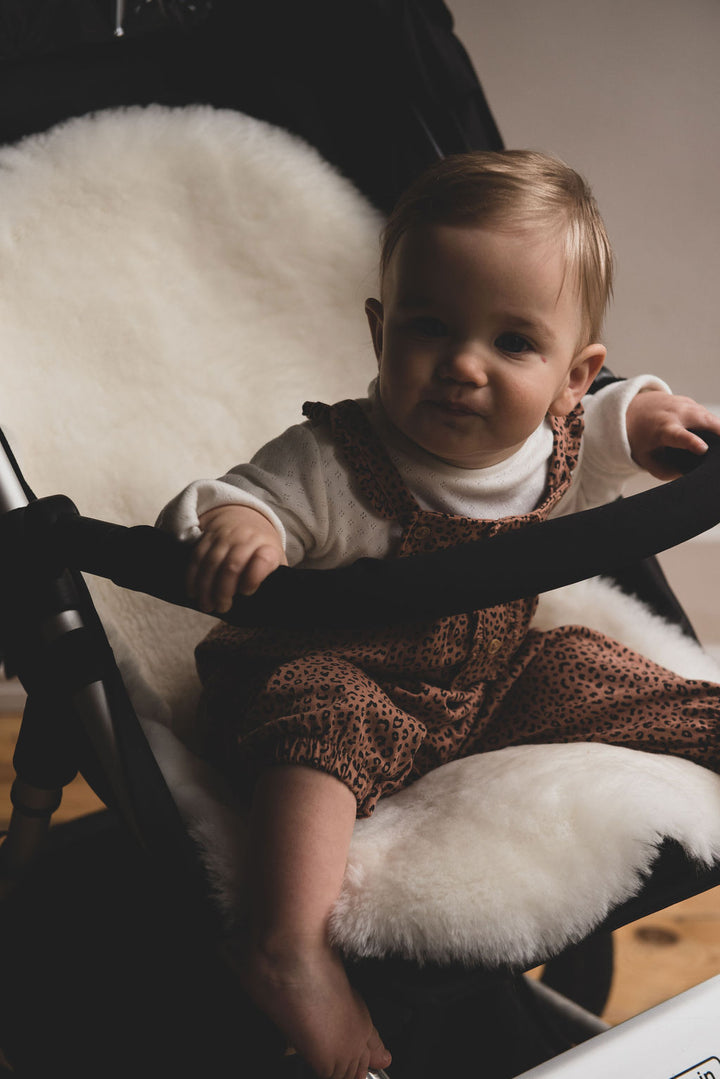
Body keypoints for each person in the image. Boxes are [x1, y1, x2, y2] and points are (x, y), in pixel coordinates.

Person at [157, 150, 720, 1079]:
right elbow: (237, 492)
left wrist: (656, 415)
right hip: (339, 670)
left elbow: (623, 419)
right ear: (380, 329)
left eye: (512, 343)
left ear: (573, 376)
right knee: (321, 719)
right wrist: (237, 527)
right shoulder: (342, 461)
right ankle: (285, 945)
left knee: (592, 666)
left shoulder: (561, 444)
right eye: (430, 326)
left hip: (484, 679)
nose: (462, 364)